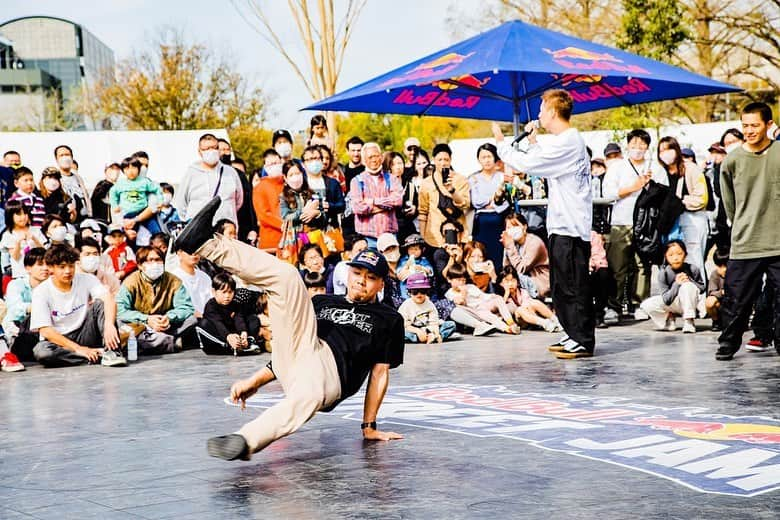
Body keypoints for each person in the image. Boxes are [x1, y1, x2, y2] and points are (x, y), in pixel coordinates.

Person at [174, 197, 405, 460]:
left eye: (371, 277)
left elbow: (379, 375)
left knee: (306, 398)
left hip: (329, 375)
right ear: (347, 273)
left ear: (381, 284)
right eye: (357, 273)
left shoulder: (389, 318)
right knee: (288, 277)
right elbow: (290, 345)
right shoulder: (322, 301)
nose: (362, 281)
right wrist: (254, 381)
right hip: (300, 353)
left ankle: (245, 440)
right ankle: (205, 243)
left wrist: (369, 426)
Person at [494, 88, 595, 358]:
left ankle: (582, 338)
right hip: (563, 224)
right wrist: (533, 141)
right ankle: (572, 333)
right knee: (562, 287)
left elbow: (533, 164)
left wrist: (504, 147)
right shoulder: (566, 143)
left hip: (571, 228)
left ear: (552, 112)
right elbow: (546, 162)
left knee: (574, 286)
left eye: (541, 110)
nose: (538, 115)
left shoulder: (569, 141)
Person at [715, 102, 780, 360]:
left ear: (768, 125)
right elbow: (729, 204)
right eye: (745, 125)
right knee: (736, 299)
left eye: (755, 125)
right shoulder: (731, 161)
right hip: (746, 241)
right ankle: (728, 343)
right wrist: (742, 224)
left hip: (778, 241)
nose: (750, 130)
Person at [31, 244, 126, 367]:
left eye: (71, 266)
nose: (68, 271)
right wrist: (78, 349)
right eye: (62, 267)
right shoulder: (41, 291)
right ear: (51, 268)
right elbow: (46, 331)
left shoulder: (87, 279)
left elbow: (108, 298)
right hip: (59, 340)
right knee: (42, 352)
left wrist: (109, 325)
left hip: (84, 332)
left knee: (100, 304)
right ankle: (94, 356)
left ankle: (113, 352)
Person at [603, 129, 657, 322]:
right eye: (633, 144)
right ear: (627, 145)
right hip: (621, 222)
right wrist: (634, 187)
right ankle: (614, 306)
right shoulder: (618, 167)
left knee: (642, 265)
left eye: (642, 144)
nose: (637, 148)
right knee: (618, 266)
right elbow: (608, 194)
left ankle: (640, 303)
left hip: (646, 224)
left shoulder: (654, 166)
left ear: (647, 147)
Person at [116, 246, 197, 354]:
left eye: (158, 260)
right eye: (150, 260)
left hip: (165, 325)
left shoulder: (173, 281)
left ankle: (159, 342)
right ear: (140, 265)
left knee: (191, 320)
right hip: (140, 326)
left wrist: (169, 318)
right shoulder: (130, 282)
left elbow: (186, 307)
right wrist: (147, 319)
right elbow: (121, 311)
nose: (155, 264)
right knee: (121, 323)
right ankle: (169, 343)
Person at [657, 136, 709, 278]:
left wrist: (680, 201)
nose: (665, 153)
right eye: (661, 150)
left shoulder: (691, 169)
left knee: (694, 258)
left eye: (669, 149)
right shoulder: (661, 172)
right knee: (674, 261)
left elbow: (702, 198)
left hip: (692, 218)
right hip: (670, 222)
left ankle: (699, 294)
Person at [175, 133, 244, 226]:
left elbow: (239, 200)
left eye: (214, 147)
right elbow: (181, 204)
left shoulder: (231, 172)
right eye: (207, 149)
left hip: (226, 230)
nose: (211, 151)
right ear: (200, 151)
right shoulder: (191, 173)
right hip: (198, 231)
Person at [640, 240, 705, 333]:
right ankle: (669, 318)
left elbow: (702, 288)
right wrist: (677, 283)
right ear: (666, 257)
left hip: (691, 301)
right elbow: (666, 299)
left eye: (679, 254)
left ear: (685, 255)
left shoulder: (692, 269)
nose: (675, 258)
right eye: (671, 255)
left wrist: (689, 281)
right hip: (673, 301)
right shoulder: (664, 273)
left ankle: (689, 320)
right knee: (646, 305)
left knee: (687, 286)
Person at [348, 143, 403, 246]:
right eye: (370, 157)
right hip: (367, 238)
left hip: (389, 235)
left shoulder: (391, 179)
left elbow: (397, 200)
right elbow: (358, 208)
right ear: (364, 160)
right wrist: (386, 207)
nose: (374, 159)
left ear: (381, 157)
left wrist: (373, 201)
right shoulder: (357, 181)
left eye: (376, 156)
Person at [418, 143, 470, 250]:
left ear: (450, 160)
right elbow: (423, 212)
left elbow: (465, 204)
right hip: (434, 237)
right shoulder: (426, 183)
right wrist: (423, 237)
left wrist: (452, 190)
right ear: (434, 160)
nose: (443, 163)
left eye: (446, 159)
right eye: (439, 159)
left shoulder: (461, 180)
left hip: (458, 233)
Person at [196, 272, 262, 356]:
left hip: (233, 334)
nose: (227, 296)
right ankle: (228, 346)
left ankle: (248, 342)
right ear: (214, 291)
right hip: (219, 338)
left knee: (253, 318)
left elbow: (239, 319)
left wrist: (243, 333)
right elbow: (218, 324)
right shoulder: (211, 305)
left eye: (230, 292)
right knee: (203, 324)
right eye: (223, 292)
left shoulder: (235, 304)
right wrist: (229, 337)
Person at [445, 264, 518, 335]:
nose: (461, 283)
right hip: (475, 311)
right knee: (489, 316)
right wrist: (464, 293)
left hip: (484, 305)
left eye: (463, 280)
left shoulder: (470, 287)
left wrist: (492, 296)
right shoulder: (450, 293)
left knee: (498, 299)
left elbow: (483, 296)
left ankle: (511, 322)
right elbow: (460, 302)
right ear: (449, 279)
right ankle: (506, 328)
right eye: (458, 280)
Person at [4, 247, 48, 363]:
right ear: (28, 268)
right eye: (40, 264)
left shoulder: (50, 285)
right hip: (20, 329)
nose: (45, 268)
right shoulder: (16, 284)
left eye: (47, 264)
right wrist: (40, 307)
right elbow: (15, 309)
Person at [470, 143, 510, 268]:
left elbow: (506, 202)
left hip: (499, 220)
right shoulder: (473, 179)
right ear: (478, 160)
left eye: (489, 156)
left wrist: (493, 204)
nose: (487, 160)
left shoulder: (502, 177)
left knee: (499, 256)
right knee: (482, 255)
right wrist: (493, 199)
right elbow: (476, 201)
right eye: (483, 157)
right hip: (481, 223)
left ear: (495, 158)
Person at [497, 266, 561, 333]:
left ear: (517, 282)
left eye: (513, 280)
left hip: (531, 315)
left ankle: (556, 320)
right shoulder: (499, 296)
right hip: (518, 321)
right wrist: (506, 295)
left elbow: (528, 304)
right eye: (507, 281)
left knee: (534, 302)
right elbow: (502, 312)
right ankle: (546, 324)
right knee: (520, 310)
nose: (510, 284)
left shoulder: (522, 291)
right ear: (501, 284)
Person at [110, 156, 164, 235]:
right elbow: (113, 192)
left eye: (133, 168)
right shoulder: (121, 183)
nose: (131, 171)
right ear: (123, 171)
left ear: (138, 169)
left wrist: (160, 201)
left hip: (143, 211)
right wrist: (115, 205)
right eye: (127, 168)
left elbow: (157, 189)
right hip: (128, 214)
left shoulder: (144, 182)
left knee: (156, 232)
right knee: (129, 235)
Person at [501, 213, 549, 298]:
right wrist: (507, 247)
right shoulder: (511, 242)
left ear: (525, 227)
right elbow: (507, 268)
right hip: (519, 282)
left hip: (538, 283)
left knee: (515, 279)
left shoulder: (535, 242)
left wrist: (509, 247)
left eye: (515, 226)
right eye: (508, 228)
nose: (512, 230)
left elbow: (521, 269)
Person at [399, 272, 457, 343]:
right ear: (409, 292)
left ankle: (435, 336)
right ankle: (421, 338)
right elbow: (404, 325)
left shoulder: (430, 304)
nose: (419, 294)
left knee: (451, 325)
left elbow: (434, 323)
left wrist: (436, 333)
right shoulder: (406, 305)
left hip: (429, 328)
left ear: (427, 291)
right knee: (399, 332)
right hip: (412, 329)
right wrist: (418, 332)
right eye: (415, 292)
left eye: (423, 291)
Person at [301, 145, 345, 230]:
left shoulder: (333, 183)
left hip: (330, 229)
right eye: (309, 159)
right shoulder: (301, 184)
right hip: (307, 231)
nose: (314, 162)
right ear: (303, 164)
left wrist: (330, 206)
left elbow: (342, 205)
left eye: (316, 158)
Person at [1, 201, 45, 281]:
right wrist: (18, 242)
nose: (23, 217)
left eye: (25, 213)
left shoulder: (35, 230)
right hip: (20, 274)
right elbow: (15, 257)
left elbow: (44, 251)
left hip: (39, 273)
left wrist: (35, 239)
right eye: (19, 214)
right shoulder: (8, 235)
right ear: (10, 216)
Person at [254, 151, 286, 251]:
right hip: (271, 240)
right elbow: (263, 215)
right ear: (265, 167)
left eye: (276, 163)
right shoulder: (260, 187)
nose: (274, 166)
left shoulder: (288, 183)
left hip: (291, 238)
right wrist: (283, 224)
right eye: (271, 164)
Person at [170, 248, 213, 318]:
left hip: (208, 320)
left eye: (196, 250)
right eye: (189, 251)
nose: (194, 254)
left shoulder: (204, 276)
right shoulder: (173, 278)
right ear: (179, 253)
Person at [53, 145, 91, 220]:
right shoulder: (55, 178)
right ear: (57, 159)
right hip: (67, 220)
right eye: (61, 155)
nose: (65, 158)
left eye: (67, 155)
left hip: (84, 219)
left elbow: (86, 197)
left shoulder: (78, 177)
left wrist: (90, 214)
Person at [397, 233, 434, 298]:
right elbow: (399, 273)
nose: (413, 251)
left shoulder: (423, 260)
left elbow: (430, 271)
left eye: (416, 249)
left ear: (422, 250)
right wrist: (407, 265)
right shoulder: (403, 260)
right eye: (411, 249)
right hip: (406, 290)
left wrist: (422, 268)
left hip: (420, 289)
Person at [705, 249, 728, 331]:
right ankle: (716, 321)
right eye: (720, 266)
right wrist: (722, 292)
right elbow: (711, 292)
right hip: (721, 304)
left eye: (726, 266)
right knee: (709, 301)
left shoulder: (736, 274)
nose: (724, 269)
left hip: (734, 305)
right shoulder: (715, 274)